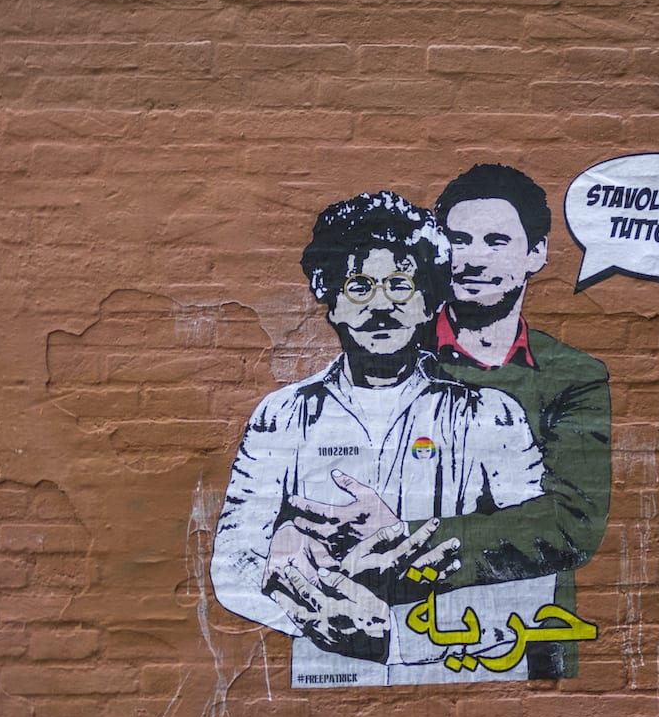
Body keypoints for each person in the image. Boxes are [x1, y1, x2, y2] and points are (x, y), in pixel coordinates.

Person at [211, 191, 556, 687]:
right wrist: (312, 612)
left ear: (429, 300)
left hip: (463, 675)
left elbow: (535, 565)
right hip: (328, 679)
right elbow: (234, 565)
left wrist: (393, 617)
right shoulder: (284, 417)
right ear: (328, 301)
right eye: (358, 286)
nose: (380, 305)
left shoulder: (489, 417)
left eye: (400, 284)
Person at [428, 163, 612, 678]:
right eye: (458, 240)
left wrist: (407, 540)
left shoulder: (574, 377)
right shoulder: (392, 359)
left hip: (530, 643)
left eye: (496, 240)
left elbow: (571, 522)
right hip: (405, 632)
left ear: (536, 254)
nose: (475, 258)